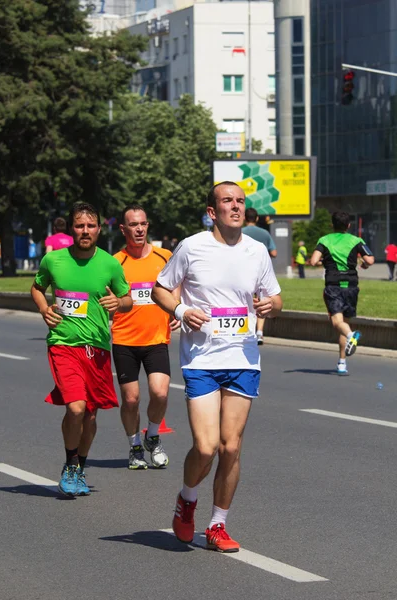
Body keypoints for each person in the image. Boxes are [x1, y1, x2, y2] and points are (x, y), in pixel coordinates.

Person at [152, 181, 282, 552]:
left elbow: (274, 296)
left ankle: (218, 525)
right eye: (228, 201)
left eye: (240, 201)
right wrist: (180, 310)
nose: (236, 207)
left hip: (243, 358)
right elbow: (162, 288)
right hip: (202, 359)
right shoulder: (192, 247)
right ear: (213, 211)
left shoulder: (257, 251)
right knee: (206, 447)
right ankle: (187, 500)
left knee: (231, 447)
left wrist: (273, 305)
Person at [31, 202, 132, 496]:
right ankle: (70, 463)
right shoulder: (54, 261)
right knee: (75, 407)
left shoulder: (111, 264)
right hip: (63, 344)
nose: (84, 231)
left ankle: (80, 467)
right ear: (71, 228)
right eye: (79, 225)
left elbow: (127, 299)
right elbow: (37, 287)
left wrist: (119, 303)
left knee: (90, 414)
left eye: (90, 226)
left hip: (97, 347)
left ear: (99, 229)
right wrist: (43, 309)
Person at [111, 204, 179, 470]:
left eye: (143, 224)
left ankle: (152, 436)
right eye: (133, 224)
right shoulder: (115, 262)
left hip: (156, 338)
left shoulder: (165, 256)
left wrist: (176, 305)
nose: (139, 229)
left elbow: (177, 282)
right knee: (130, 399)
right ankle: (134, 446)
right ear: (123, 228)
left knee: (160, 394)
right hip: (124, 339)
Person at [311, 211, 374, 376]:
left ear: (332, 225)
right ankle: (341, 363)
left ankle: (351, 334)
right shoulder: (356, 240)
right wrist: (364, 265)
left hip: (333, 285)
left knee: (337, 322)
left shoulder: (325, 240)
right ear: (348, 225)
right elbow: (370, 260)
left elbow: (312, 260)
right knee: (344, 321)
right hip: (352, 286)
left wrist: (325, 260)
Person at [242, 207, 277, 345]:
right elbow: (274, 253)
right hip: (260, 272)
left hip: (243, 271)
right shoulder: (264, 233)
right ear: (257, 219)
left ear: (245, 218)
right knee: (262, 301)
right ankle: (260, 332)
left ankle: (244, 329)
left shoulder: (240, 233)